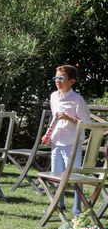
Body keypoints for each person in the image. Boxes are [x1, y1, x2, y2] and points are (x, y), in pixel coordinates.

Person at [41, 65, 90, 217]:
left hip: (72, 143)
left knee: (74, 176)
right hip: (57, 140)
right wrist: (47, 134)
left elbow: (86, 122)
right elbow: (55, 118)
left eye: (61, 78)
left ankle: (77, 209)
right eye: (56, 78)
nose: (58, 81)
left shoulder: (77, 99)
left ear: (72, 81)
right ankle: (59, 204)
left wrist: (68, 118)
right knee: (56, 175)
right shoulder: (54, 96)